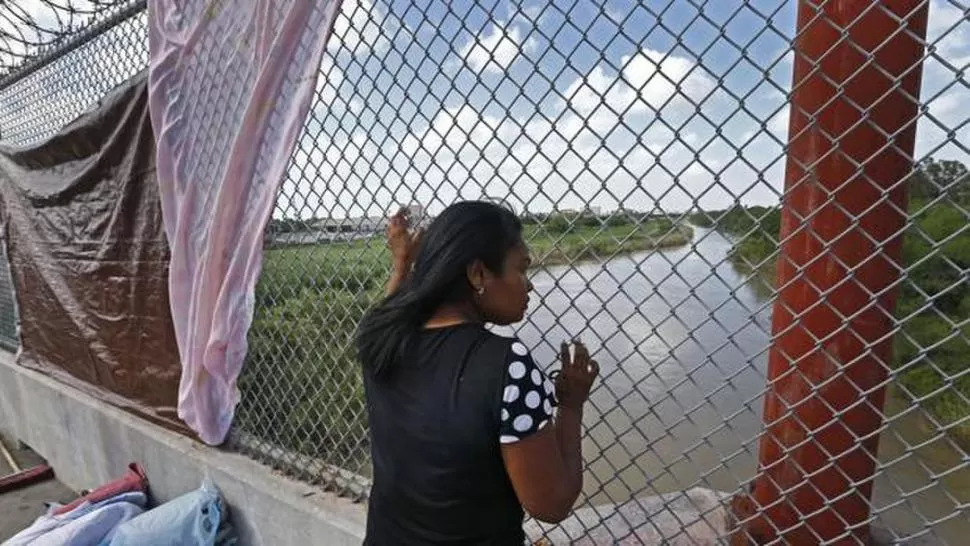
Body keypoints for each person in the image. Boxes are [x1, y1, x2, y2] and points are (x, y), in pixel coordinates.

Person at [355, 200, 600, 545]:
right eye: (522, 269)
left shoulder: (380, 337)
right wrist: (571, 407)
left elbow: (391, 308)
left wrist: (402, 264)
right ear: (478, 274)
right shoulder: (505, 365)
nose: (529, 286)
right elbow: (551, 504)